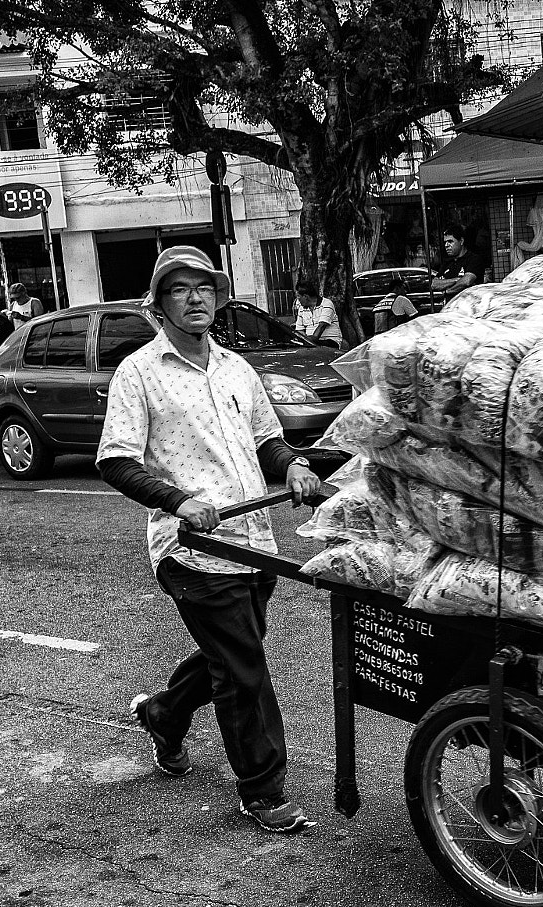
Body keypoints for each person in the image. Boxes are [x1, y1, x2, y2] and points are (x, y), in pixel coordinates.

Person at [96, 245, 324, 835]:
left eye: (204, 287)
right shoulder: (139, 372)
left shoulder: (236, 369)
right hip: (192, 549)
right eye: (179, 288)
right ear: (159, 303)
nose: (194, 298)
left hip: (252, 542)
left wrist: (293, 464)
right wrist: (179, 501)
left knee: (231, 654)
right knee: (244, 668)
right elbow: (116, 461)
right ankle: (263, 788)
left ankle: (163, 714)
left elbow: (266, 440)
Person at [430, 224, 486, 298]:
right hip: (451, 307)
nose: (446, 245)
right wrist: (457, 280)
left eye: (450, 241)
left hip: (470, 306)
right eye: (445, 242)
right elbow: (434, 284)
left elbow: (467, 281)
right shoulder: (447, 262)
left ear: (461, 241)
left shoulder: (473, 259)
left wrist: (448, 291)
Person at [292, 279, 344, 348]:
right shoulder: (301, 309)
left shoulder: (326, 304)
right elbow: (299, 330)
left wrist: (306, 341)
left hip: (330, 341)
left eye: (298, 296)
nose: (297, 299)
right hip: (310, 341)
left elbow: (321, 328)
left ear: (306, 297)